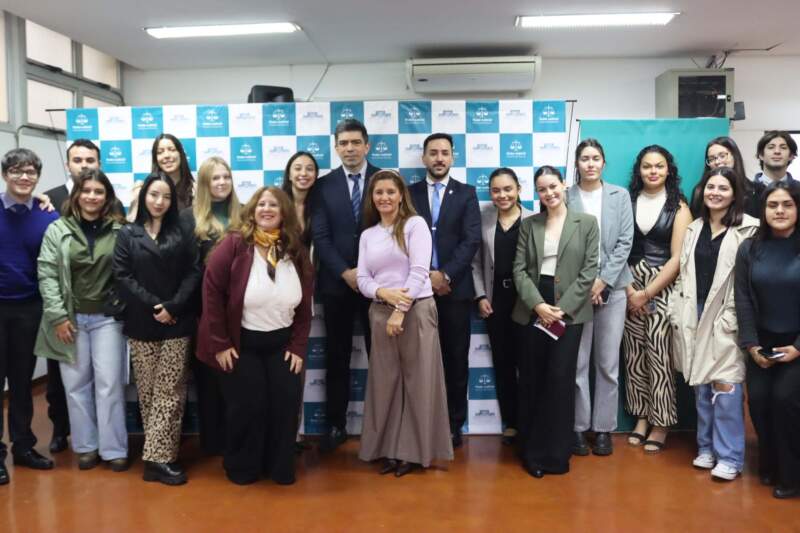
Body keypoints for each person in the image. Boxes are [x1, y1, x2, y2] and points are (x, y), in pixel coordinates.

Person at [197, 186, 313, 485]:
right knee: (249, 406)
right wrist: (221, 344)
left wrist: (299, 346)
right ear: (252, 210)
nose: (266, 209)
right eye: (261, 204)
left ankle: (278, 467)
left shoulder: (295, 249)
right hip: (240, 344)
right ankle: (243, 467)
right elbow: (211, 293)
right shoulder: (235, 244)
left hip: (282, 343)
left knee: (286, 404)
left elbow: (305, 305)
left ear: (283, 212)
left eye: (273, 204)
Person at [357, 170, 453, 476]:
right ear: (372, 198)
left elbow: (419, 270)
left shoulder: (414, 225)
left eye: (390, 192)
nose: (384, 197)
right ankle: (386, 450)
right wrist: (380, 292)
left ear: (401, 195)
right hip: (380, 312)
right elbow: (362, 278)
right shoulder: (368, 235)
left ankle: (413, 453)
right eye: (378, 192)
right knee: (384, 383)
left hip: (416, 311)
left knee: (418, 381)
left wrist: (400, 308)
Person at [34, 168, 129, 472]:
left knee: (109, 384)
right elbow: (47, 274)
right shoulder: (57, 230)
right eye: (86, 190)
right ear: (76, 195)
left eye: (98, 191)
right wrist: (58, 316)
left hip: (107, 321)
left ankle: (114, 449)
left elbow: (128, 273)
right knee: (75, 386)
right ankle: (86, 447)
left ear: (107, 197)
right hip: (70, 321)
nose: (91, 196)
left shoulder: (119, 232)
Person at [112, 172, 201, 485]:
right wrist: (155, 307)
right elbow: (123, 277)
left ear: (172, 200)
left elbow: (194, 272)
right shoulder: (127, 234)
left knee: (170, 392)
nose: (159, 201)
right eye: (153, 195)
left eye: (165, 196)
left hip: (177, 322)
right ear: (143, 197)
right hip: (142, 323)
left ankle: (159, 459)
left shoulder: (183, 231)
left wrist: (172, 307)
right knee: (149, 394)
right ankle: (157, 458)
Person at [671, 166, 758, 481]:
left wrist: (736, 316)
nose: (715, 193)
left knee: (726, 388)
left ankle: (731, 456)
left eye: (723, 188)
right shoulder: (694, 228)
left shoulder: (750, 228)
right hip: (694, 312)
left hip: (727, 314)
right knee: (701, 387)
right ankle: (706, 448)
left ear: (735, 194)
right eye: (711, 187)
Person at [512, 165, 599, 477]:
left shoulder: (587, 223)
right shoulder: (529, 224)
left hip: (569, 310)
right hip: (535, 306)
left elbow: (590, 270)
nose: (548, 193)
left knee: (560, 380)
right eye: (542, 189)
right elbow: (519, 269)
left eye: (553, 186)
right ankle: (532, 453)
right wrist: (538, 305)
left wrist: (561, 309)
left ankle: (557, 453)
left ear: (564, 185)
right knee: (533, 379)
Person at [310, 119, 379, 452]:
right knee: (336, 357)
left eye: (356, 142)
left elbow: (392, 232)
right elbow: (321, 238)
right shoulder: (323, 186)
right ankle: (335, 425)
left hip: (378, 286)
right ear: (335, 147)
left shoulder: (384, 180)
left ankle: (383, 427)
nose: (350, 148)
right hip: (338, 285)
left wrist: (365, 275)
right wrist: (346, 273)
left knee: (381, 358)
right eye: (343, 143)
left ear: (367, 145)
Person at [408, 133, 481, 448]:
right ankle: (421, 422)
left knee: (455, 359)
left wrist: (446, 274)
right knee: (418, 361)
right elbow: (403, 239)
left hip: (454, 290)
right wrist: (426, 277)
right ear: (423, 158)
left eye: (445, 153)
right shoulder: (408, 194)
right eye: (433, 153)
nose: (439, 158)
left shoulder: (466, 194)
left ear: (453, 157)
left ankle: (454, 425)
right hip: (417, 290)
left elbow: (471, 240)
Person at [623, 145, 692, 453]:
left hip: (661, 286)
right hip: (627, 285)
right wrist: (629, 291)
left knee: (660, 355)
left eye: (659, 166)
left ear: (668, 170)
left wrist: (646, 294)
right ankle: (641, 417)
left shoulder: (678, 205)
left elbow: (678, 258)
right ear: (639, 170)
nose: (653, 171)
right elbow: (619, 249)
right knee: (634, 355)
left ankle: (661, 422)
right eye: (647, 166)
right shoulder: (627, 200)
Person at [567, 139, 634, 457]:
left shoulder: (619, 196)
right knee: (578, 363)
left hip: (614, 289)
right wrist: (586, 285)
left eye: (596, 158)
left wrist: (603, 281)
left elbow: (625, 241)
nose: (590, 164)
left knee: (607, 364)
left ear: (603, 163)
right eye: (584, 158)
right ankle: (579, 428)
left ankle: (604, 429)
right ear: (577, 163)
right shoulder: (565, 196)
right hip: (576, 293)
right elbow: (561, 243)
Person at [734, 180, 800, 499]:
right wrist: (752, 345)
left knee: (785, 400)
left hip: (797, 343)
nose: (780, 211)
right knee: (759, 402)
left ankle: (792, 475)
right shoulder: (750, 248)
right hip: (762, 343)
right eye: (773, 205)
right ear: (763, 210)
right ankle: (770, 463)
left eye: (787, 204)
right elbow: (743, 298)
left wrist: (798, 348)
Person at [0, 148, 59, 485]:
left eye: (30, 172)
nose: (24, 177)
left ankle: (23, 448)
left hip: (29, 307)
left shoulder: (47, 215)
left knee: (22, 382)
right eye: (16, 171)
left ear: (38, 176)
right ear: (5, 174)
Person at [179, 156, 242, 456]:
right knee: (208, 380)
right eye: (215, 178)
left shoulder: (244, 215)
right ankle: (213, 443)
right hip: (205, 311)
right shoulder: (188, 219)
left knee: (237, 380)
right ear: (204, 184)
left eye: (226, 177)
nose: (221, 183)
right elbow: (185, 269)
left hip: (243, 312)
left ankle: (237, 440)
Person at [471, 168, 533, 445]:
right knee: (504, 363)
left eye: (508, 189)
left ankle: (531, 421)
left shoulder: (535, 218)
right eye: (496, 190)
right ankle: (512, 422)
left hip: (528, 302)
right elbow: (474, 263)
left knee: (529, 364)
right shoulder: (483, 219)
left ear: (518, 189)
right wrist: (481, 296)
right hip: (495, 301)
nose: (502, 195)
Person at [128, 133, 195, 219]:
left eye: (171, 150)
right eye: (160, 152)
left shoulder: (195, 190)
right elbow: (133, 225)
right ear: (155, 159)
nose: (166, 156)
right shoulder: (144, 190)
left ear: (181, 154)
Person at [689, 136, 758, 218]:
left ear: (734, 155)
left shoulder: (755, 190)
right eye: (711, 159)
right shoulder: (699, 191)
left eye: (722, 156)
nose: (717, 162)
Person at [281, 151, 319, 245]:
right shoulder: (278, 204)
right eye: (298, 169)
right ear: (289, 175)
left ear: (315, 175)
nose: (303, 173)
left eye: (309, 169)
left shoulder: (321, 206)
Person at [752, 131, 797, 198]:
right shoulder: (745, 190)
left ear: (791, 156)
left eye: (783, 147)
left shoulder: (798, 189)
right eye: (771, 147)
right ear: (761, 155)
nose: (777, 151)